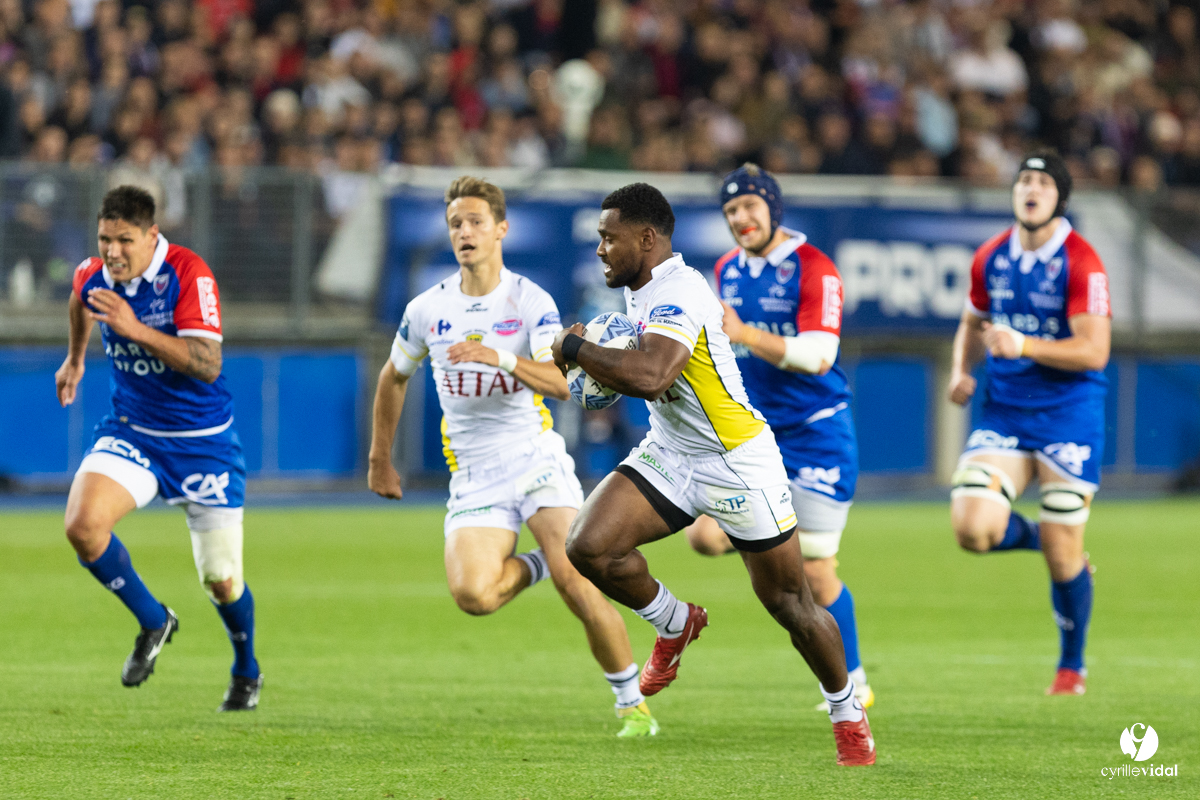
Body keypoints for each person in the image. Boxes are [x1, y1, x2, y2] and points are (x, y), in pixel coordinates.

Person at [554, 182, 876, 766]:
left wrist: (577, 351)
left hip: (736, 461)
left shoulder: (682, 291)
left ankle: (847, 713)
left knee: (790, 602)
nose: (600, 248)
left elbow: (652, 375)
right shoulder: (639, 288)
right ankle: (675, 623)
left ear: (647, 238)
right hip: (672, 451)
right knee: (589, 547)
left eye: (609, 237)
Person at [367, 176, 657, 737]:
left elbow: (560, 382)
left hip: (533, 457)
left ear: (501, 229)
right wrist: (380, 457)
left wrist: (498, 356)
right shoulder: (428, 308)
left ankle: (632, 704)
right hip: (474, 474)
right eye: (456, 224)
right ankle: (542, 560)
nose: (465, 232)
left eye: (476, 221)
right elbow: (392, 376)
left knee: (581, 583)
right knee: (473, 596)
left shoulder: (529, 300)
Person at [55, 186, 261, 711]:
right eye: (105, 239)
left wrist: (135, 329)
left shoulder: (190, 275)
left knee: (221, 580)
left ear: (152, 236)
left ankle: (246, 669)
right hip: (133, 430)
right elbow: (80, 298)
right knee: (82, 525)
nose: (112, 252)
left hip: (201, 442)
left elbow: (208, 363)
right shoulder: (94, 273)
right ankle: (153, 619)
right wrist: (76, 357)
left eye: (125, 240)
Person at [684, 163, 873, 714]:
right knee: (703, 537)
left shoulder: (815, 268)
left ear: (773, 208)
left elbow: (820, 356)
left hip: (817, 435)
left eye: (749, 207)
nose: (741, 219)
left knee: (815, 570)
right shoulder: (727, 269)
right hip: (756, 441)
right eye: (731, 212)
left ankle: (853, 679)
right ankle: (774, 557)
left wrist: (745, 333)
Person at [947, 151, 1111, 696]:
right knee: (972, 529)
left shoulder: (1082, 262)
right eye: (1024, 180)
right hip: (1006, 413)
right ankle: (1049, 538)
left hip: (1069, 417)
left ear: (1060, 197)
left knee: (1065, 558)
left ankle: (1072, 666)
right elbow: (972, 322)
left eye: (1042, 182)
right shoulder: (991, 256)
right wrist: (960, 370)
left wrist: (1025, 344)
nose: (1031, 189)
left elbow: (1094, 352)